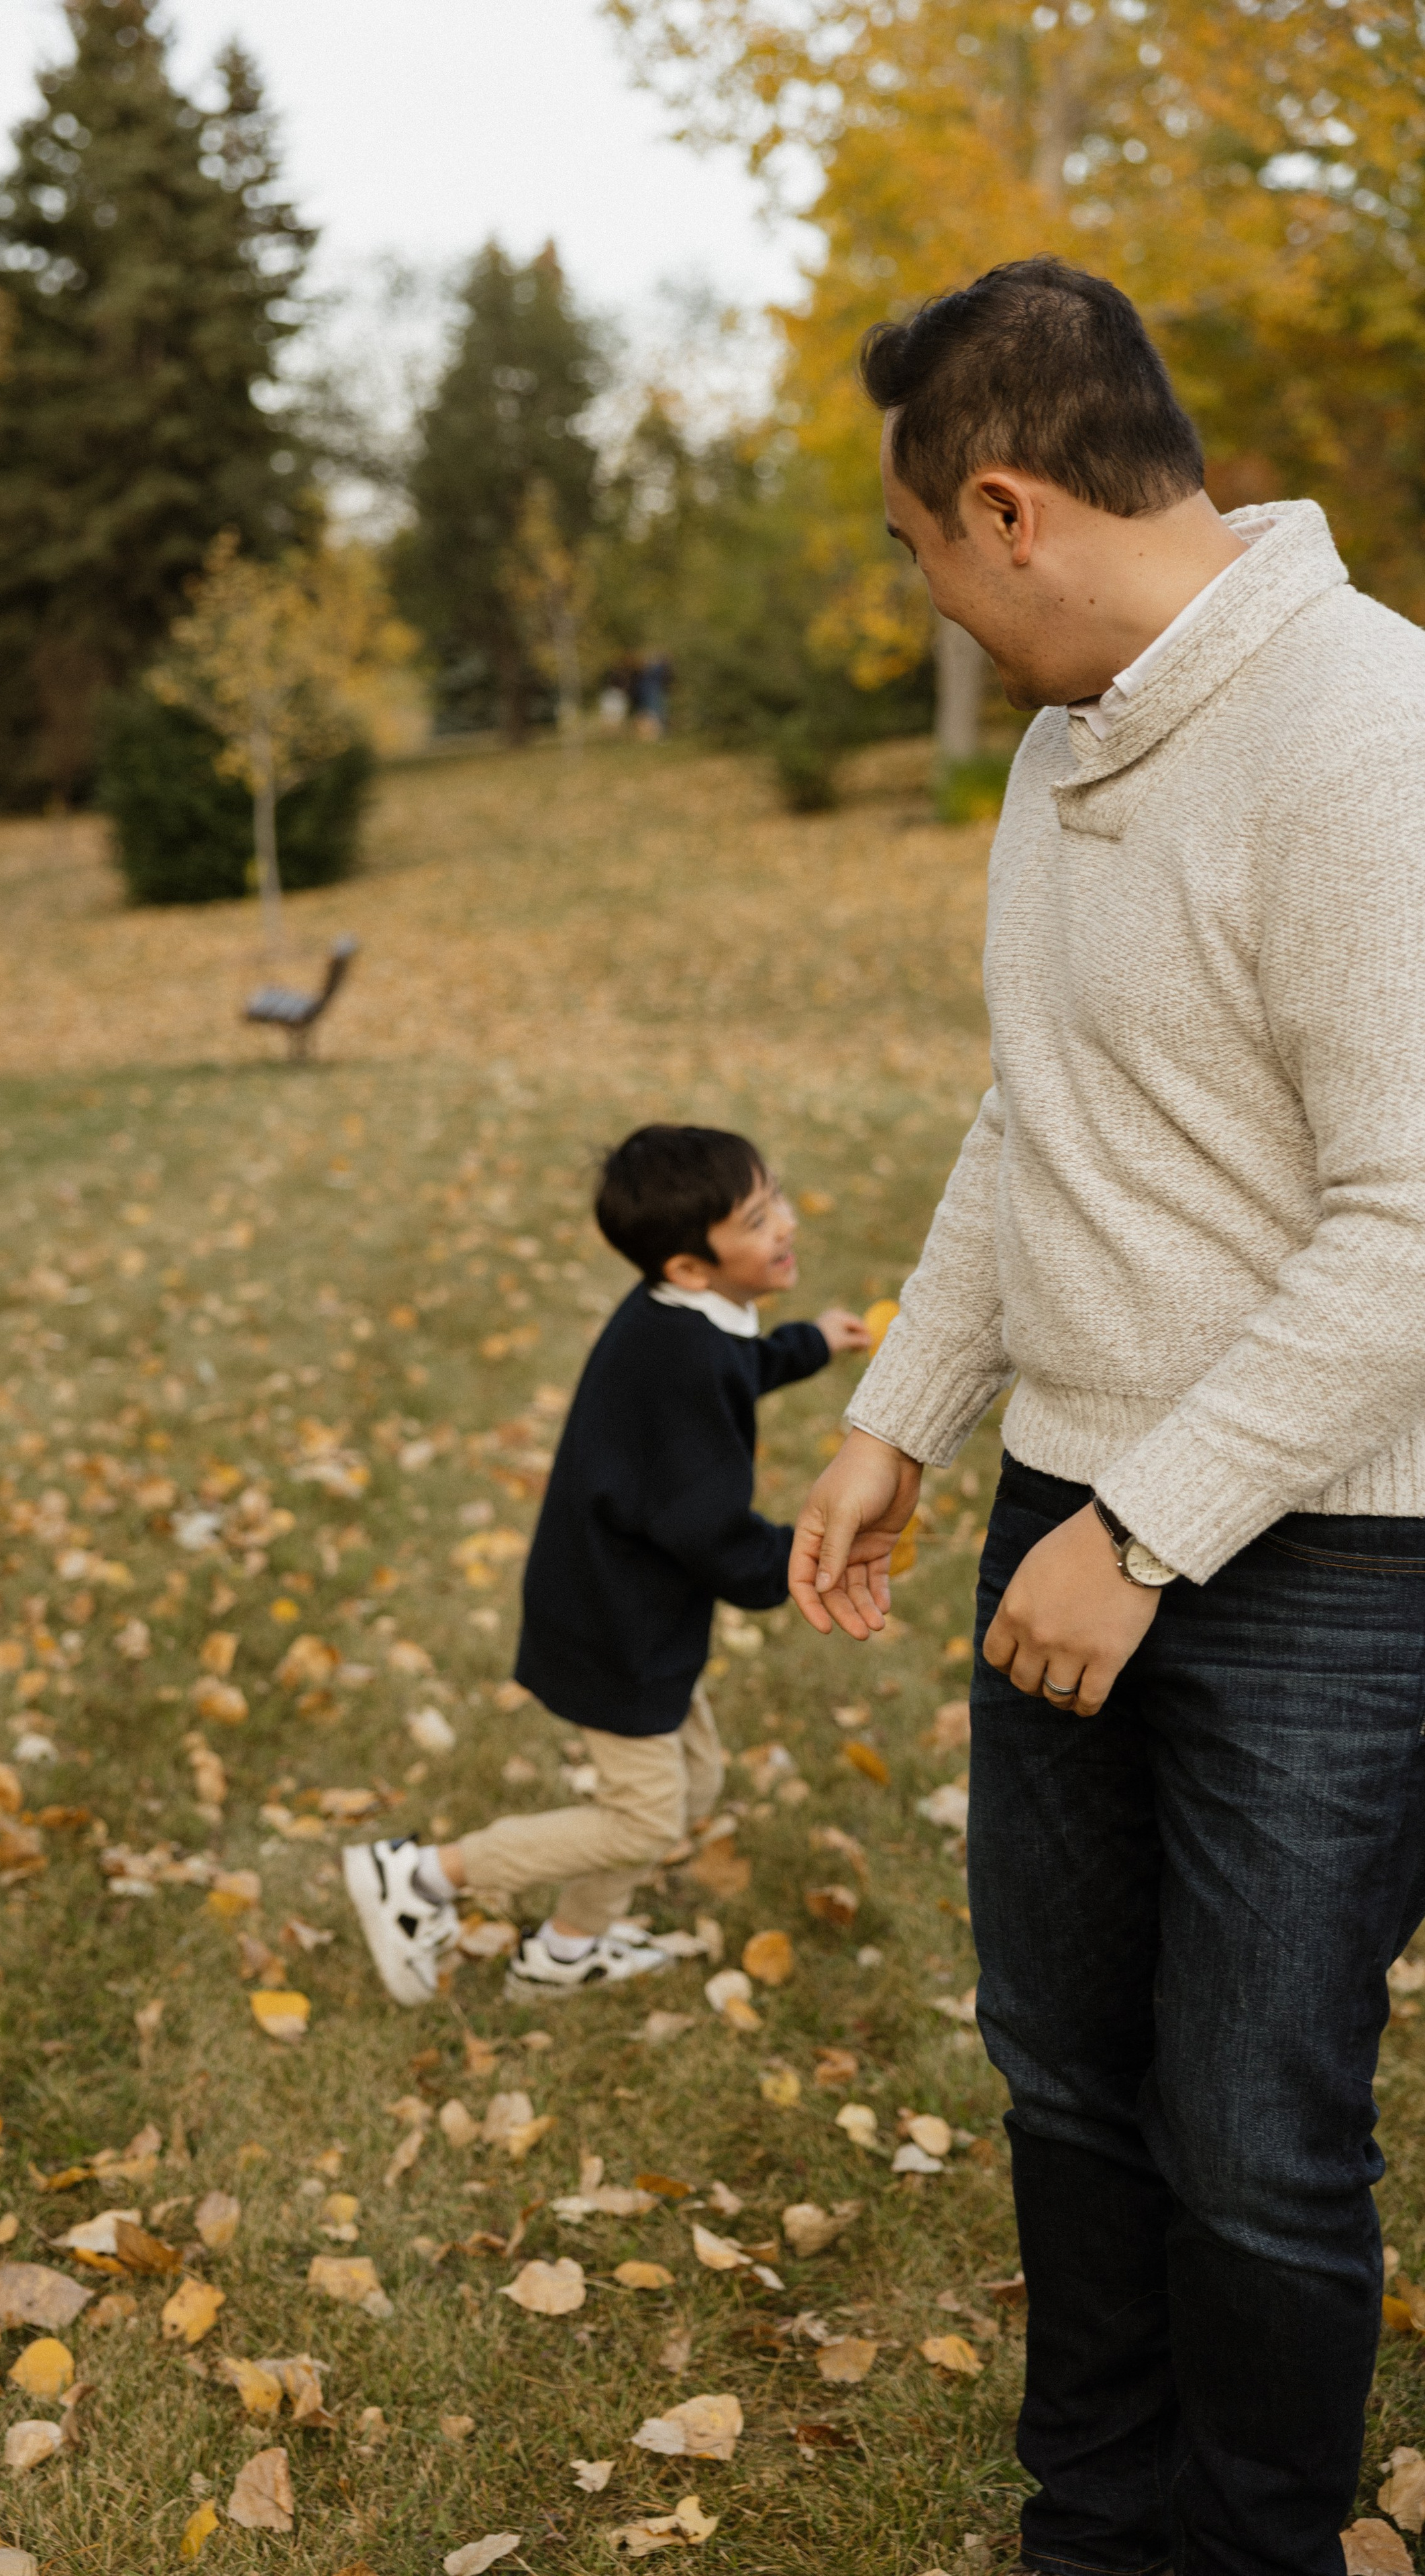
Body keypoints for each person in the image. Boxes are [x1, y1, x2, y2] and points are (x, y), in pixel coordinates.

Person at [789, 256, 1425, 2576]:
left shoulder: (1371, 742)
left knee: (1254, 2129)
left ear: (1007, 507)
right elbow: (1034, 1114)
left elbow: (1416, 1224)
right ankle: (1100, 2526)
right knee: (1068, 2074)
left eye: (917, 553)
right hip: (1069, 1510)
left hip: (1332, 1563)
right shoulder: (1068, 752)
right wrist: (912, 1415)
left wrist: (1143, 1530)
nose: (927, 597)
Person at [344, 1122, 869, 2004]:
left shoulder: (688, 1319)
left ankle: (564, 1950)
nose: (784, 1223)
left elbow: (739, 1363)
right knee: (641, 1818)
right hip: (612, 1622)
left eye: (775, 1197)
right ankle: (424, 1877)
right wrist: (806, 1560)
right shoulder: (678, 1364)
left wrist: (810, 1343)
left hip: (636, 1611)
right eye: (756, 1217)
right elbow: (709, 1528)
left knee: (691, 1782)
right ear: (690, 1266)